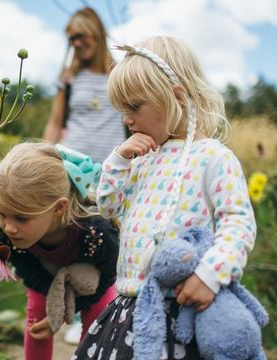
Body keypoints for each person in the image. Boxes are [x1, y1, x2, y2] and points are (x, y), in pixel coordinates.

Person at [73, 36, 257, 359]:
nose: (127, 119)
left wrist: (209, 275)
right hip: (131, 306)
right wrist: (118, 159)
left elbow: (239, 224)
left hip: (186, 309)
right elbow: (109, 205)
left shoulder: (214, 158)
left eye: (134, 106)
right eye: (122, 110)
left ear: (175, 96)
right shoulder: (142, 159)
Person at [0, 142, 119, 360]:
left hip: (93, 281)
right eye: (2, 213)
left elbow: (108, 275)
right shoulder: (1, 225)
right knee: (36, 324)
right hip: (43, 272)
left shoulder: (97, 233)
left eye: (21, 217)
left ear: (58, 208)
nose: (9, 227)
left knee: (97, 328)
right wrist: (51, 306)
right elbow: (25, 267)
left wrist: (64, 311)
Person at [43, 7, 126, 163]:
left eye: (81, 36)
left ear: (97, 34)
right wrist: (43, 158)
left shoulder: (120, 74)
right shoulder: (68, 77)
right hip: (73, 167)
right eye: (72, 39)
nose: (77, 43)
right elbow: (55, 123)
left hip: (113, 168)